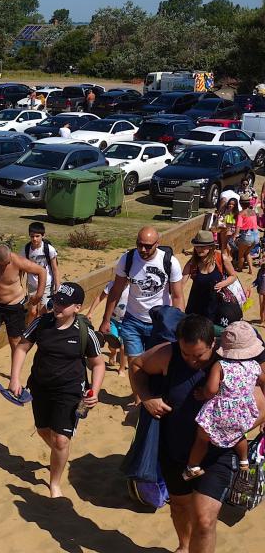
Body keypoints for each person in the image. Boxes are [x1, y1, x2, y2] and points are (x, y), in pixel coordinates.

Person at [130, 315, 265, 553]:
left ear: (213, 344)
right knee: (180, 507)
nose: (192, 360)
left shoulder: (236, 363)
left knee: (204, 520)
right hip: (174, 448)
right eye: (186, 354)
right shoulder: (169, 354)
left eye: (199, 355)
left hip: (218, 454)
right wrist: (148, 398)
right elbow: (138, 366)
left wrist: (238, 427)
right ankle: (184, 546)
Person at [9, 283, 105, 498]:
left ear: (77, 307)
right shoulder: (42, 323)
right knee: (43, 430)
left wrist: (95, 391)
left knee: (60, 439)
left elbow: (98, 364)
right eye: (57, 300)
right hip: (40, 386)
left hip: (70, 390)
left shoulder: (84, 332)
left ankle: (54, 483)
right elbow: (23, 347)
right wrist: (15, 378)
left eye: (64, 303)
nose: (58, 306)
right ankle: (60, 452)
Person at [98, 227, 184, 376]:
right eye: (139, 244)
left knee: (154, 365)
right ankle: (138, 400)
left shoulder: (170, 262)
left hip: (159, 322)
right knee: (134, 364)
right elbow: (116, 290)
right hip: (133, 320)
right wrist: (106, 319)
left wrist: (178, 325)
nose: (142, 249)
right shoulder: (128, 259)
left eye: (148, 246)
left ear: (157, 243)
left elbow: (177, 296)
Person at [185, 322, 264, 480]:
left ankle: (192, 467)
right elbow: (263, 381)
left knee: (202, 438)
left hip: (220, 412)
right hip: (242, 412)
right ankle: (243, 461)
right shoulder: (255, 366)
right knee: (239, 435)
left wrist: (203, 394)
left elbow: (212, 390)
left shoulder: (220, 365)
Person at [0, 244, 46, 380]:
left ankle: (14, 375)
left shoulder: (17, 261)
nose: (5, 266)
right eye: (2, 264)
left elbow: (42, 271)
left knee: (15, 341)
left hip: (15, 306)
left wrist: (39, 294)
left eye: (7, 262)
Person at [183, 230, 238, 323]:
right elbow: (181, 283)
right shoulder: (192, 263)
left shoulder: (221, 258)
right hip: (196, 304)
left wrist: (223, 284)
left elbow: (233, 276)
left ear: (211, 246)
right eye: (196, 246)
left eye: (202, 246)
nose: (198, 249)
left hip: (215, 304)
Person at [85, 280, 130, 375]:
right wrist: (90, 312)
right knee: (112, 344)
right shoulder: (112, 285)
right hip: (112, 320)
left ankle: (121, 369)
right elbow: (99, 298)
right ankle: (113, 352)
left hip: (127, 322)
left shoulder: (134, 288)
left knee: (123, 347)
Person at [22, 221, 60, 324]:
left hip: (47, 284)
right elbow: (22, 268)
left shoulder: (49, 249)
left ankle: (42, 332)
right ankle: (28, 331)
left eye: (37, 236)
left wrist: (57, 287)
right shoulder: (26, 250)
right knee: (32, 311)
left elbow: (55, 269)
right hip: (32, 284)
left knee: (44, 311)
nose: (34, 239)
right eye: (32, 236)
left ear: (43, 235)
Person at [234, 198, 258, 273]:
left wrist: (235, 235)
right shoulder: (253, 212)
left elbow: (238, 226)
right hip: (256, 235)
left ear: (240, 204)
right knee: (247, 252)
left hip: (247, 235)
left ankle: (239, 268)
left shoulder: (241, 213)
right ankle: (251, 269)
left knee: (241, 254)